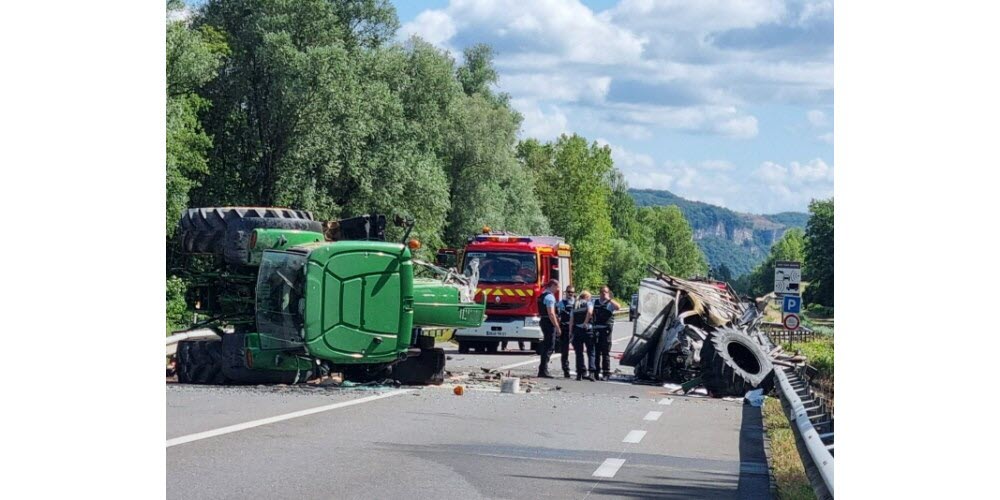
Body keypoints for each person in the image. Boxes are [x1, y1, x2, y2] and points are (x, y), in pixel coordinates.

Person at [592, 285, 621, 381]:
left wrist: (610, 299)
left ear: (608, 293)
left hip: (606, 332)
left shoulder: (610, 303)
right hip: (596, 330)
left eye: (606, 292)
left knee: (605, 353)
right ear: (600, 293)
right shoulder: (595, 302)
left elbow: (618, 307)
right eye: (602, 292)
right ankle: (595, 372)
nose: (604, 293)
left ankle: (606, 373)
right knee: (596, 353)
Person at [535, 278, 561, 378]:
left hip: (543, 320)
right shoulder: (550, 297)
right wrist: (557, 326)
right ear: (552, 286)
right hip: (548, 322)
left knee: (546, 345)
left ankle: (542, 369)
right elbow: (551, 313)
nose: (557, 289)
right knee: (550, 346)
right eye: (557, 287)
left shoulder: (542, 295)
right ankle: (543, 370)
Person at [571, 290, 596, 381]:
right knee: (591, 352)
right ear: (587, 297)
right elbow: (590, 313)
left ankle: (580, 373)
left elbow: (571, 320)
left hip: (577, 330)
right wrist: (585, 323)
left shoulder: (575, 305)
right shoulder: (588, 303)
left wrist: (571, 333)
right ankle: (592, 373)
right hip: (587, 329)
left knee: (579, 353)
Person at [556, 285, 576, 378]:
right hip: (564, 328)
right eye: (568, 292)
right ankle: (566, 370)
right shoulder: (561, 303)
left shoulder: (577, 303)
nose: (570, 294)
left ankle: (580, 370)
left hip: (575, 329)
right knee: (564, 352)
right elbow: (557, 316)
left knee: (579, 351)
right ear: (566, 292)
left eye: (572, 292)